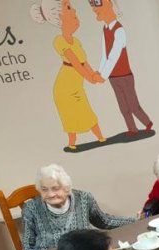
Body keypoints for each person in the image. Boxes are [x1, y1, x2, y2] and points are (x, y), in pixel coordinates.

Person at [21, 164, 134, 250]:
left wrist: (134, 220)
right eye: (44, 189)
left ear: (66, 188)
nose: (51, 194)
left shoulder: (84, 199)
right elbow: (28, 244)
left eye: (55, 188)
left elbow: (104, 221)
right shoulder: (31, 208)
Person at [30, 0, 107, 149]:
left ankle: (100, 137)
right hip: (65, 87)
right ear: (59, 17)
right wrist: (90, 78)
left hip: (76, 84)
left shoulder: (76, 41)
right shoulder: (59, 41)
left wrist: (94, 74)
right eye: (69, 8)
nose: (74, 12)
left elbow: (84, 62)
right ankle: (72, 143)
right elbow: (75, 63)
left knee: (86, 110)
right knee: (70, 115)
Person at [90, 0, 154, 135]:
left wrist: (103, 75)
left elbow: (114, 55)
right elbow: (104, 54)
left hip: (125, 75)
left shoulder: (119, 30)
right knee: (123, 106)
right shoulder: (105, 29)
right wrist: (100, 72)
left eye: (97, 6)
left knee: (132, 105)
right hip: (113, 77)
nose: (94, 9)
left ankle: (147, 122)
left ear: (108, 4)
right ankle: (132, 129)